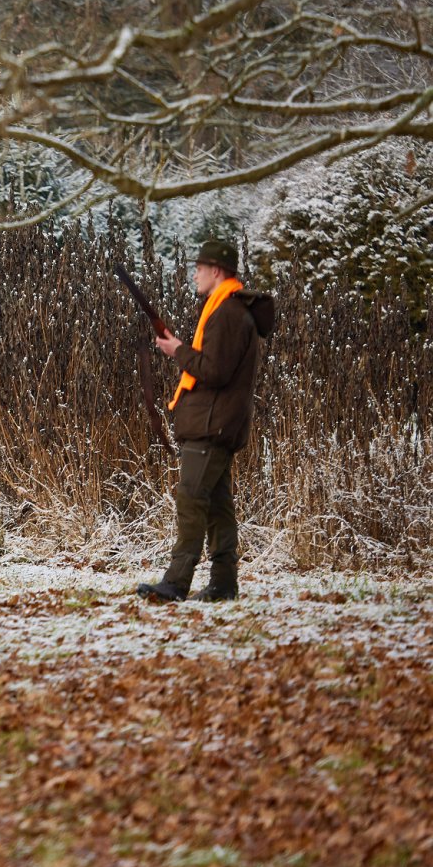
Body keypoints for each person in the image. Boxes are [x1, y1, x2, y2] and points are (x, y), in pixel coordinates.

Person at [136, 240, 277, 603]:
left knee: (191, 499)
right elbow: (214, 363)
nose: (195, 274)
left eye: (199, 268)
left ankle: (176, 583)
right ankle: (223, 584)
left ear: (216, 271)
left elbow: (214, 371)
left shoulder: (227, 313)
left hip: (212, 425)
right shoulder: (228, 309)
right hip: (216, 422)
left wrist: (178, 351)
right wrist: (182, 349)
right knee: (216, 505)